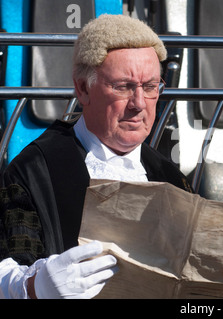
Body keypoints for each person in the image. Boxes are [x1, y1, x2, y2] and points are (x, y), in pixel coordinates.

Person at [0, 14, 192, 299]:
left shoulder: (172, 178)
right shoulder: (34, 172)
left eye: (150, 87)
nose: (139, 104)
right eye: (124, 87)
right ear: (83, 88)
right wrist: (34, 287)